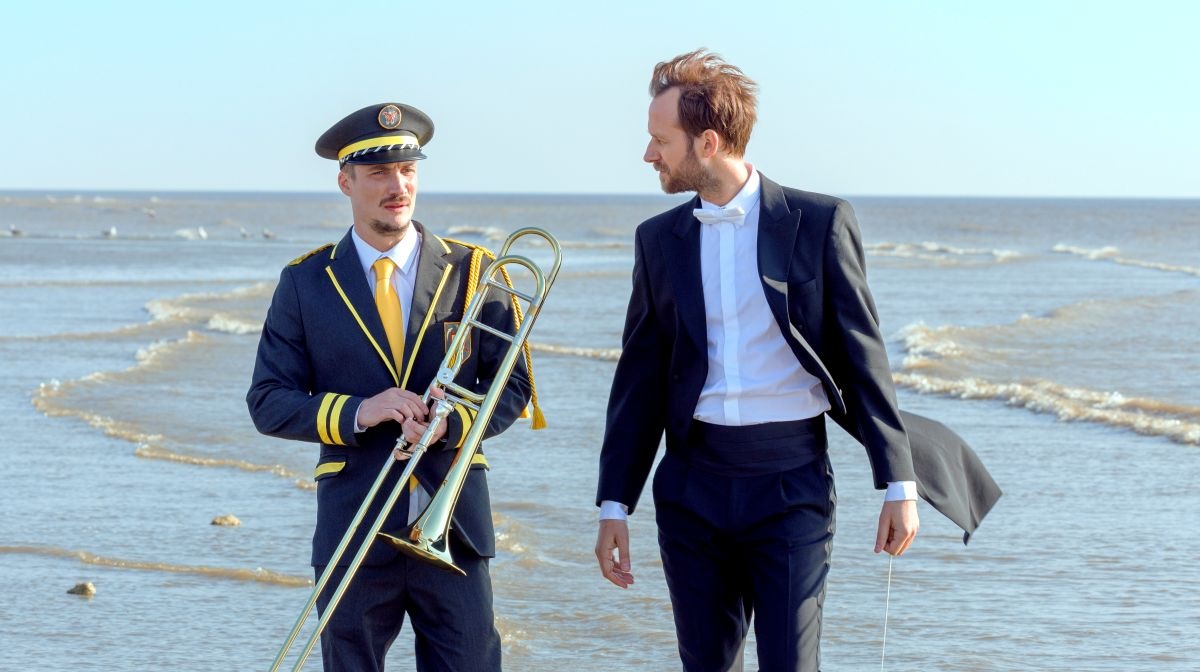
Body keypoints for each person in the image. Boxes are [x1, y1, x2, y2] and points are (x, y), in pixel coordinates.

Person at [593, 50, 921, 671]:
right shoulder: (658, 239)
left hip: (790, 483)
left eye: (660, 140)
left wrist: (897, 483)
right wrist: (615, 503)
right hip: (691, 486)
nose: (648, 154)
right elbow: (639, 377)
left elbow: (863, 353)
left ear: (708, 142)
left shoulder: (820, 222)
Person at [247, 102, 533, 672]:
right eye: (378, 172)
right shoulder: (305, 282)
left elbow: (514, 386)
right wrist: (361, 410)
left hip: (453, 523)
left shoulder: (476, 272)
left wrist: (451, 424)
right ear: (345, 182)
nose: (397, 186)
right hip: (354, 520)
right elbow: (268, 402)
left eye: (407, 170)